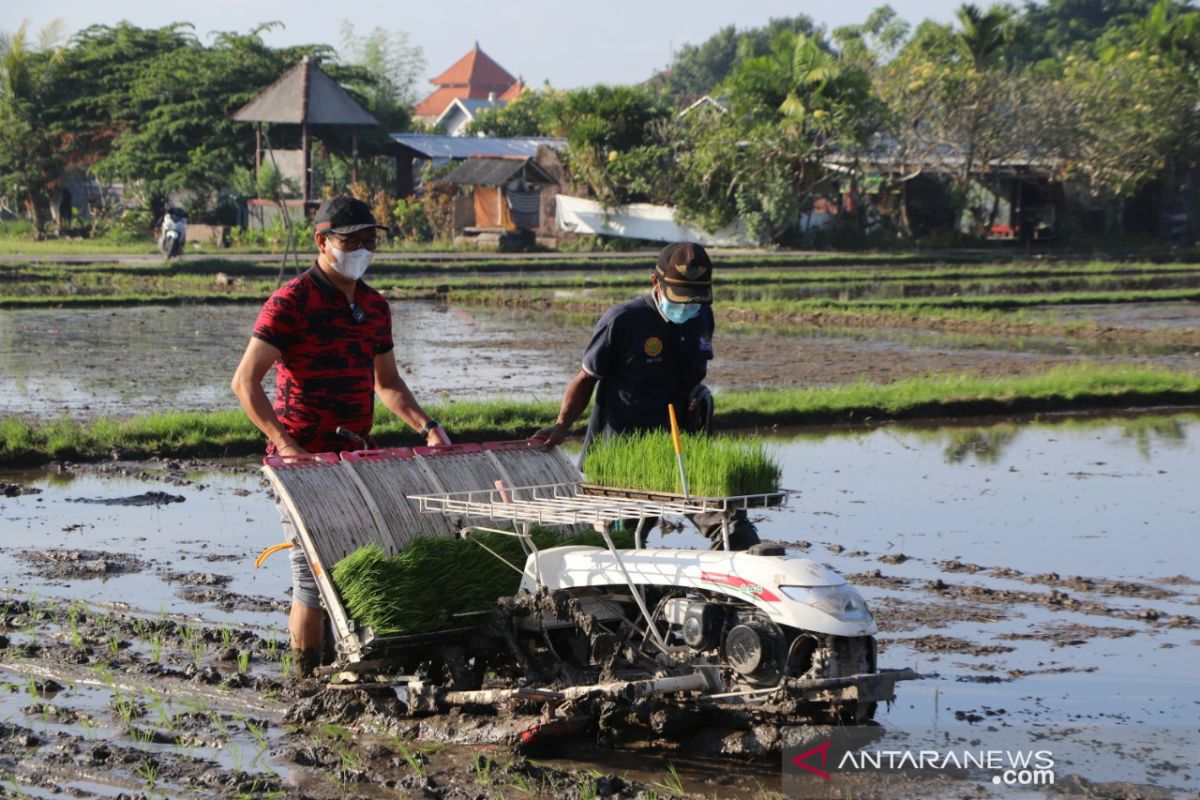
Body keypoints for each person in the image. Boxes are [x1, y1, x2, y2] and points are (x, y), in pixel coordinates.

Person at [232, 195, 450, 676]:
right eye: (352, 241)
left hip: (355, 461)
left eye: (369, 241)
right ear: (322, 242)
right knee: (312, 573)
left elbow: (388, 384)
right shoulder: (291, 302)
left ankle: (345, 661)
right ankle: (305, 675)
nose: (363, 249)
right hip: (301, 465)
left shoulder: (374, 306)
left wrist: (428, 428)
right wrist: (287, 446)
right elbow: (245, 382)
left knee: (355, 560)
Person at [533, 241, 760, 550]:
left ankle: (733, 591)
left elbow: (691, 370)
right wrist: (561, 426)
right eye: (680, 298)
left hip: (682, 448)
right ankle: (623, 596)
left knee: (732, 524)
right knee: (620, 545)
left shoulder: (702, 317)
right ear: (656, 283)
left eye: (695, 299)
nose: (687, 307)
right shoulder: (623, 322)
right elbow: (586, 378)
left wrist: (697, 395)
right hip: (622, 455)